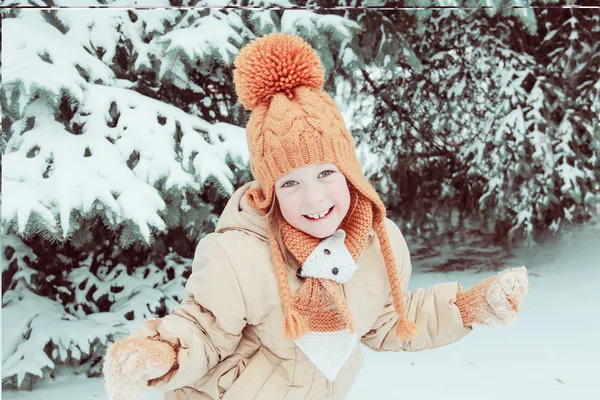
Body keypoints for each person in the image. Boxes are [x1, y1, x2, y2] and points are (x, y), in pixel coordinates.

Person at [102, 33, 529, 400]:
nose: (313, 198)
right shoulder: (238, 256)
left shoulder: (379, 244)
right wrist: (160, 353)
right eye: (289, 184)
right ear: (270, 192)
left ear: (349, 173)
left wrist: (468, 308)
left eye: (326, 174)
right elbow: (203, 328)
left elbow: (381, 322)